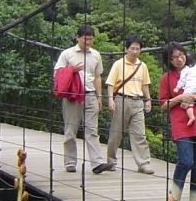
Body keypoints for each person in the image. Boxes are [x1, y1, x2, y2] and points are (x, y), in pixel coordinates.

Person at [159, 42, 196, 201]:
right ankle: (174, 194)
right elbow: (162, 105)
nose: (178, 59)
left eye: (181, 55)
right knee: (185, 161)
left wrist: (192, 98)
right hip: (181, 122)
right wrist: (180, 98)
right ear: (168, 60)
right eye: (173, 57)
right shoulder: (166, 78)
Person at [53, 25, 107, 174]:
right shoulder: (67, 54)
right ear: (77, 38)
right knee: (71, 129)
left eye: (90, 39)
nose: (88, 42)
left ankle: (97, 163)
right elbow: (57, 74)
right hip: (72, 96)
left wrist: (99, 96)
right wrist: (72, 70)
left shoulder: (96, 55)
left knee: (92, 130)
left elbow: (97, 76)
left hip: (90, 95)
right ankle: (70, 162)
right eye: (85, 39)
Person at [105, 35, 154, 175]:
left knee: (140, 134)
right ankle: (111, 161)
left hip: (137, 101)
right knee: (116, 133)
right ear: (126, 49)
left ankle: (143, 164)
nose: (134, 51)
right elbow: (110, 83)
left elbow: (145, 85)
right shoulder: (118, 64)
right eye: (132, 48)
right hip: (122, 99)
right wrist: (110, 99)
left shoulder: (142, 66)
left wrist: (148, 100)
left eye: (137, 49)